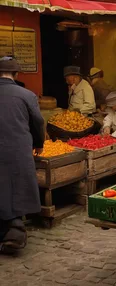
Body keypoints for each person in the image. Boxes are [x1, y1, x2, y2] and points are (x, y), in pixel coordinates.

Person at [0, 57, 45, 254]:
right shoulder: (26, 95)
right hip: (18, 148)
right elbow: (38, 122)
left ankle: (11, 228)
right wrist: (39, 143)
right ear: (16, 75)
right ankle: (15, 228)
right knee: (17, 185)